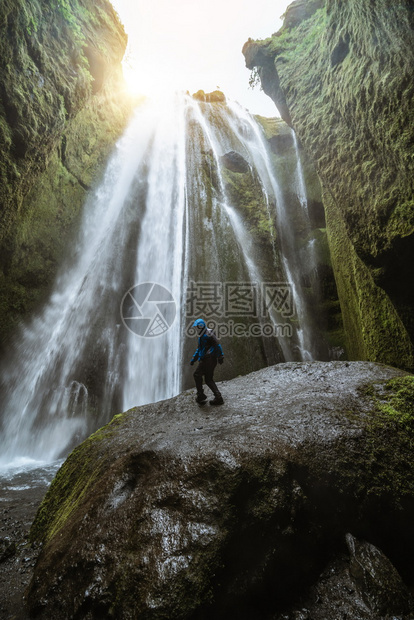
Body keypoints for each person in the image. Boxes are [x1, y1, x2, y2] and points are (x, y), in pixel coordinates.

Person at [190, 318, 224, 405]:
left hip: (208, 359)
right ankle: (218, 397)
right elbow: (199, 349)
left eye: (197, 327)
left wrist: (221, 356)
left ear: (201, 326)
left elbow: (217, 344)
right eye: (196, 328)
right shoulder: (202, 335)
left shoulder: (207, 334)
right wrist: (194, 359)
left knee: (197, 375)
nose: (196, 329)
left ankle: (201, 395)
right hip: (210, 359)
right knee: (208, 379)